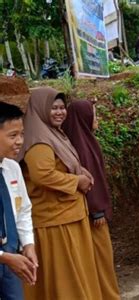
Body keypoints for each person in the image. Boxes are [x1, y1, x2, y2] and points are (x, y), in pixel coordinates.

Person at [19, 87, 102, 299]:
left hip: (67, 215)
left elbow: (63, 163)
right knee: (67, 277)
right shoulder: (39, 140)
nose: (59, 112)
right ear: (40, 109)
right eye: (53, 108)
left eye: (62, 108)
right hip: (55, 221)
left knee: (77, 271)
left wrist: (80, 171)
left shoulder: (54, 134)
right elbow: (42, 175)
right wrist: (77, 181)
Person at [62, 100, 120, 299]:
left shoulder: (81, 139)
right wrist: (97, 210)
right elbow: (90, 180)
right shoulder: (81, 145)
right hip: (93, 214)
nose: (98, 119)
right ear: (84, 117)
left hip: (90, 211)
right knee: (102, 256)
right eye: (94, 115)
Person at [0, 102, 37, 299]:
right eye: (12, 136)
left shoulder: (12, 168)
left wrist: (28, 245)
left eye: (22, 134)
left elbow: (22, 210)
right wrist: (4, 258)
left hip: (11, 256)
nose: (20, 141)